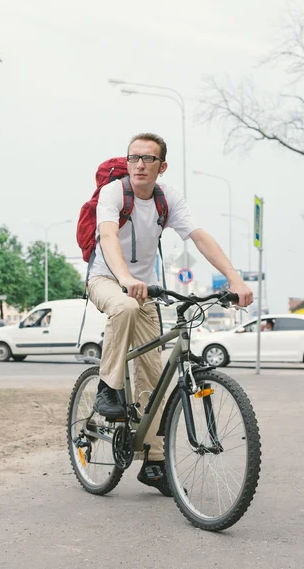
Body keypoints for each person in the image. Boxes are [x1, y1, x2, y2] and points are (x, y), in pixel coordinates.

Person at [86, 132, 253, 495]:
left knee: (154, 378)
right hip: (106, 279)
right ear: (127, 162)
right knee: (126, 305)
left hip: (145, 289)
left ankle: (155, 462)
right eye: (133, 158)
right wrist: (126, 278)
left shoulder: (167, 198)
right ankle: (107, 386)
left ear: (162, 166)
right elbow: (109, 236)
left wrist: (235, 278)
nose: (139, 165)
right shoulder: (114, 193)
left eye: (148, 159)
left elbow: (199, 236)